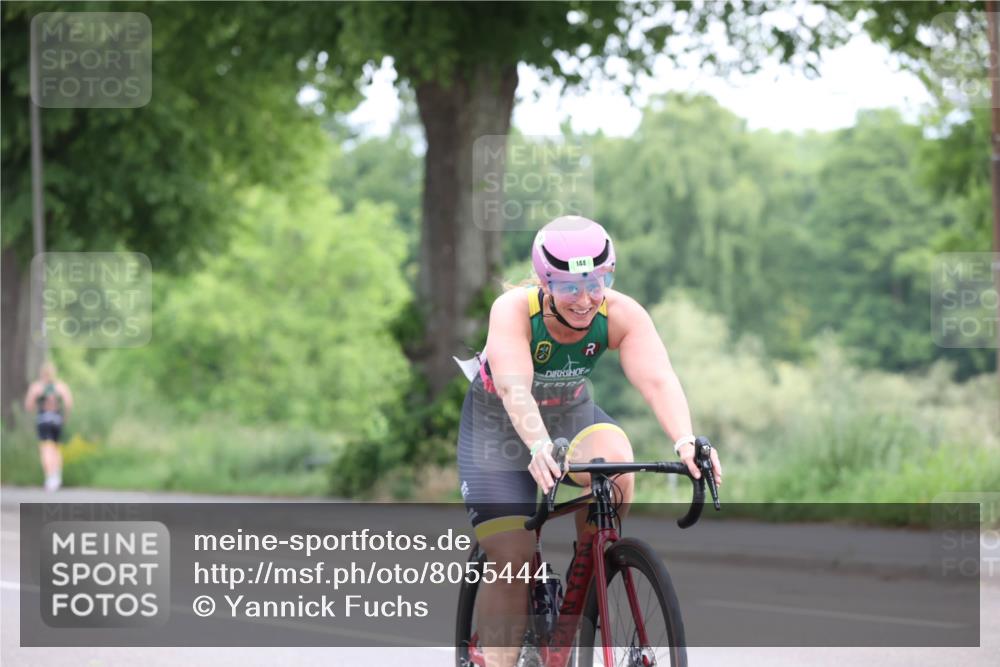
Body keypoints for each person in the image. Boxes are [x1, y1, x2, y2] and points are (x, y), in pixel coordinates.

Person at [456, 215, 723, 667]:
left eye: (597, 283)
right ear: (545, 283)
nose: (585, 299)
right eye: (569, 288)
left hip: (570, 415)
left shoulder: (620, 314)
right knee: (513, 556)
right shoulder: (514, 310)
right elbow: (514, 388)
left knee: (617, 464)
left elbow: (658, 379)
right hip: (497, 427)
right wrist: (538, 447)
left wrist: (684, 440)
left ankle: (588, 575)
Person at [23, 361, 74, 492]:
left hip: (43, 419)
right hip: (57, 419)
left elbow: (28, 405)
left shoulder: (37, 387)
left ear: (42, 373)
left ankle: (50, 477)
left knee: (46, 449)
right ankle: (57, 477)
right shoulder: (60, 386)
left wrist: (38, 406)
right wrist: (65, 418)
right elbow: (68, 403)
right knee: (56, 448)